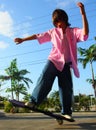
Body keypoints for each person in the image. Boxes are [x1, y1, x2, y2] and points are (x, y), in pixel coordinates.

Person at [14, 2, 89, 120]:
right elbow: (38, 35)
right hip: (53, 61)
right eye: (55, 22)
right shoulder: (53, 32)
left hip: (66, 64)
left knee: (66, 88)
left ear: (64, 19)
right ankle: (34, 101)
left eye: (59, 21)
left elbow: (85, 33)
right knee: (44, 78)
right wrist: (23, 39)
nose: (58, 24)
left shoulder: (73, 31)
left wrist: (83, 14)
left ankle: (66, 112)